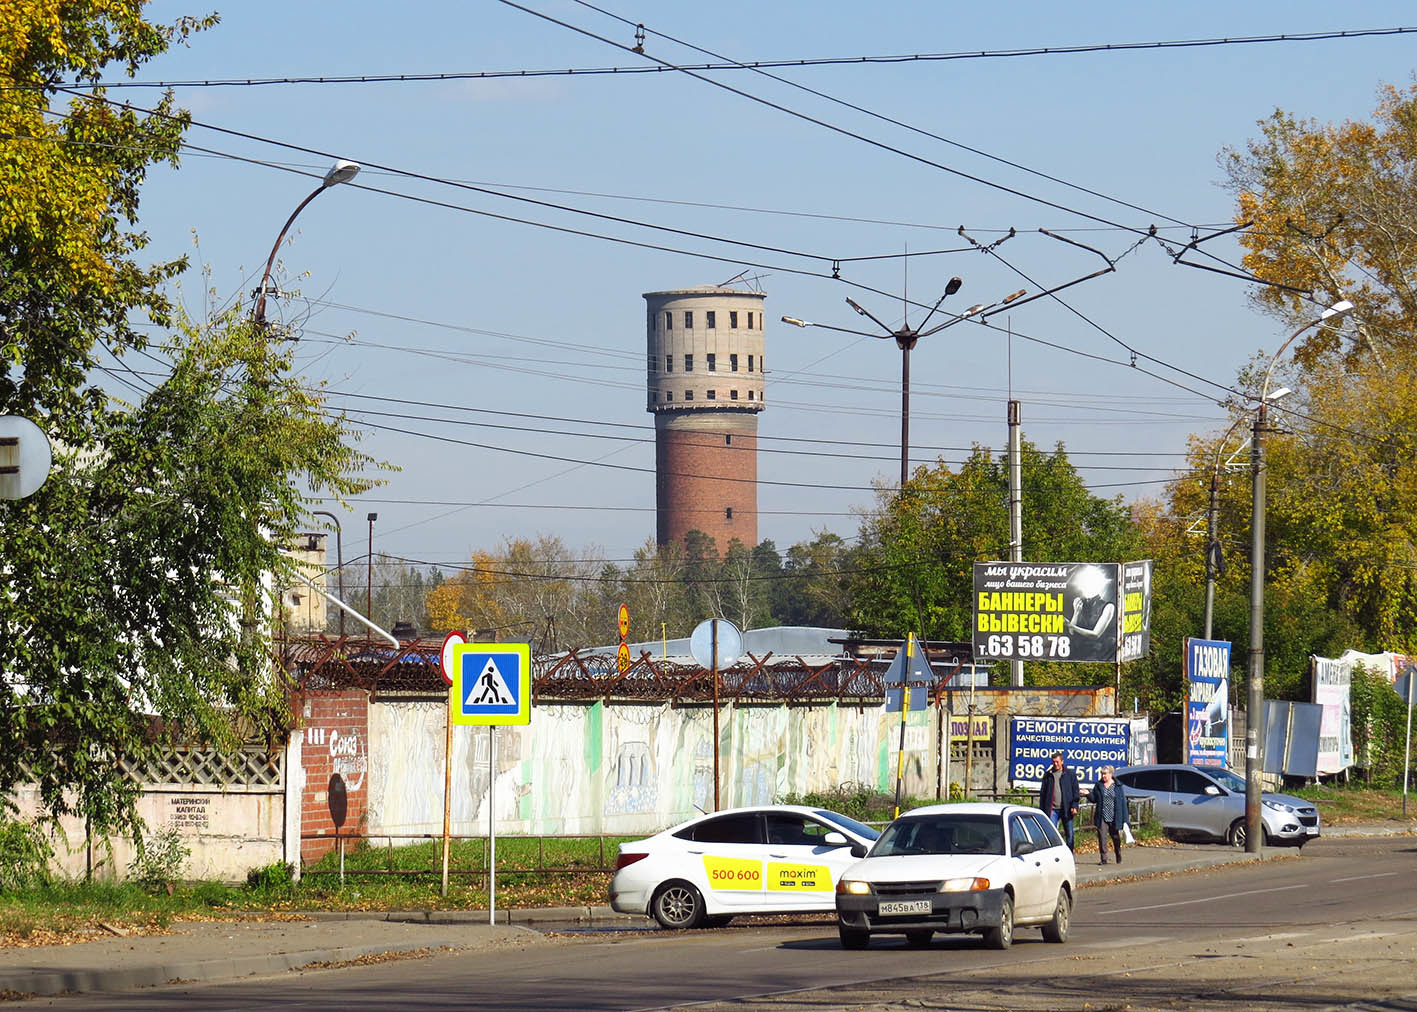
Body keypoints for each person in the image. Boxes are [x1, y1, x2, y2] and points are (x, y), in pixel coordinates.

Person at [1038, 752, 1080, 849]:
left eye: (1057, 762)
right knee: (1052, 834)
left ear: (1062, 761)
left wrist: (1074, 806)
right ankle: (1055, 855)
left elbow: (1075, 792)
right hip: (1052, 810)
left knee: (1069, 834)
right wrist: (1042, 810)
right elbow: (1043, 794)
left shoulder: (1070, 774)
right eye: (1053, 762)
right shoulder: (1048, 775)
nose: (1055, 764)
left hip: (1067, 809)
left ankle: (1069, 854)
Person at [1092, 765, 1128, 865]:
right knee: (1102, 837)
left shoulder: (1117, 786)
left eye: (1105, 774)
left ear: (1111, 774)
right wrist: (1087, 793)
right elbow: (1094, 798)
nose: (1103, 776)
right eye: (1102, 774)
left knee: (1115, 836)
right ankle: (1104, 859)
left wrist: (1125, 819)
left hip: (1114, 815)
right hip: (1102, 815)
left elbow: (1122, 803)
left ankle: (1118, 853)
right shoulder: (1099, 785)